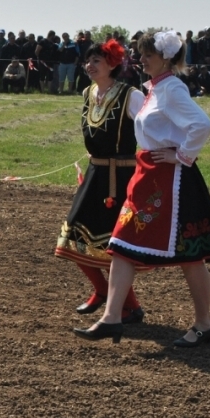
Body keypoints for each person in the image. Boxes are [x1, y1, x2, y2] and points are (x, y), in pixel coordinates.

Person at [74, 31, 210, 347]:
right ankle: (112, 317)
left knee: (190, 254)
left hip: (171, 179)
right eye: (141, 54)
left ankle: (203, 323)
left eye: (148, 55)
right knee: (121, 243)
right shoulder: (155, 89)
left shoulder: (171, 89)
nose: (141, 59)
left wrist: (181, 155)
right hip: (149, 176)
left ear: (166, 58)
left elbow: (202, 124)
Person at [54, 40, 145, 323]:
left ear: (113, 64)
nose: (89, 66)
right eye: (88, 61)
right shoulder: (88, 92)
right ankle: (103, 290)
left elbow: (149, 131)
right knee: (72, 236)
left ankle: (130, 306)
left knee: (114, 245)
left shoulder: (131, 96)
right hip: (95, 174)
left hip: (122, 176)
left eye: (96, 61)